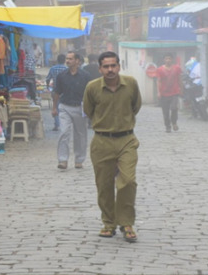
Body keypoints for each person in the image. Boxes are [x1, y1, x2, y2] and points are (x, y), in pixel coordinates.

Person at [83, 51, 142, 243]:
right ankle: (108, 223)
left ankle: (126, 223)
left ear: (119, 66)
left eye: (113, 65)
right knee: (104, 185)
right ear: (100, 69)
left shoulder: (131, 84)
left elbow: (136, 106)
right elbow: (88, 110)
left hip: (126, 139)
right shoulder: (92, 88)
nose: (110, 69)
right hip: (102, 141)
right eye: (106, 66)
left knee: (128, 181)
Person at [53, 52, 90, 170]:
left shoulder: (85, 76)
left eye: (70, 59)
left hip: (80, 107)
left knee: (80, 135)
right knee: (64, 132)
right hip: (64, 107)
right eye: (67, 59)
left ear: (77, 61)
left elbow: (90, 93)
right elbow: (57, 92)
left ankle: (79, 160)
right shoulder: (61, 76)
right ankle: (63, 160)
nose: (67, 61)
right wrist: (54, 107)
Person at [155, 55, 183, 133]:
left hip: (174, 92)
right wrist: (159, 92)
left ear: (172, 60)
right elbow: (159, 81)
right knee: (165, 112)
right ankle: (167, 126)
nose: (168, 60)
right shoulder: (160, 69)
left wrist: (181, 89)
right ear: (164, 60)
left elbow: (179, 79)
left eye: (169, 58)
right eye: (166, 58)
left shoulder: (177, 68)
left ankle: (174, 122)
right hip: (164, 93)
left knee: (174, 108)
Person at [46, 58, 68, 130]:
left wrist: (47, 86)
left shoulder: (52, 68)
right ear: (64, 61)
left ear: (57, 61)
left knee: (55, 107)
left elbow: (48, 79)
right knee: (65, 108)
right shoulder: (67, 68)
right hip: (65, 91)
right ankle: (65, 124)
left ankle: (57, 125)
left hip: (55, 91)